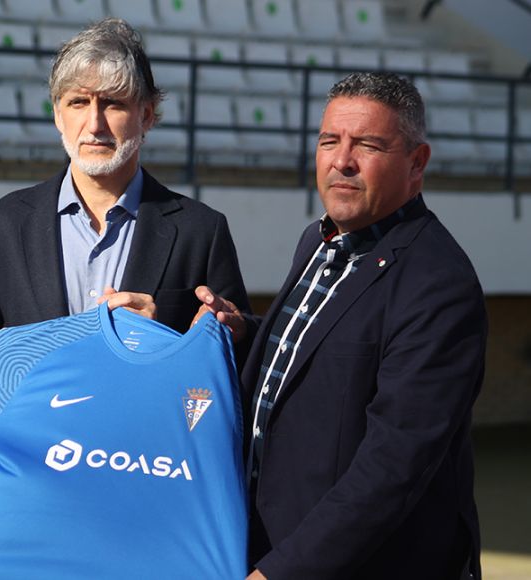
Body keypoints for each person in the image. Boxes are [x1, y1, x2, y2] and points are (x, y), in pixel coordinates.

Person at [0, 18, 253, 476]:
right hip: (27, 476)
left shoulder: (201, 230)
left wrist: (197, 339)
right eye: (78, 102)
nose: (94, 124)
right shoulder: (1, 223)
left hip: (141, 477)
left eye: (114, 104)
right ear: (58, 113)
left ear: (148, 114)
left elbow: (231, 368)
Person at [197, 72, 486, 579]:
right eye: (330, 141)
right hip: (265, 545)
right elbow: (334, 347)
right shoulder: (320, 239)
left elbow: (392, 468)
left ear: (416, 164)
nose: (342, 160)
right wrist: (247, 332)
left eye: (368, 145)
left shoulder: (440, 284)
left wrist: (280, 573)